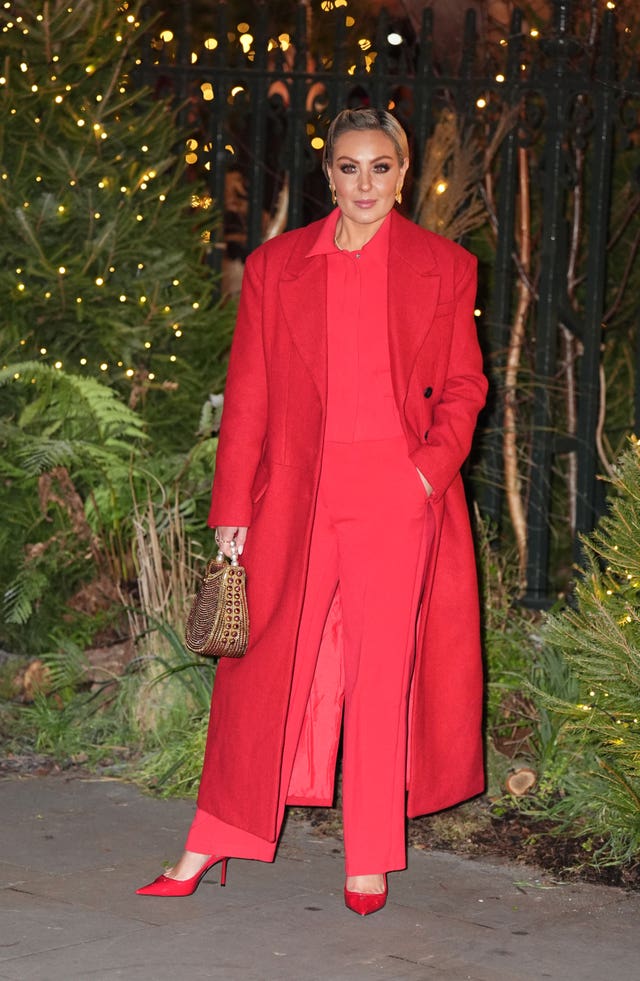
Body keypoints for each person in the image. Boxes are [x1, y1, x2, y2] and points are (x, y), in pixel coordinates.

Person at [136, 107, 488, 916]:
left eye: (379, 167)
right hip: (296, 495)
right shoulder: (276, 266)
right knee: (257, 673)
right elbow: (250, 399)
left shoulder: (447, 266)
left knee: (380, 672)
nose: (363, 183)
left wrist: (427, 475)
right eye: (347, 167)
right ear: (326, 176)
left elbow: (466, 384)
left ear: (403, 176)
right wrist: (233, 510)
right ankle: (211, 838)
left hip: (397, 500)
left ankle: (368, 856)